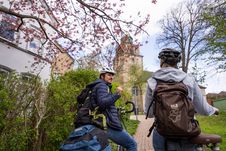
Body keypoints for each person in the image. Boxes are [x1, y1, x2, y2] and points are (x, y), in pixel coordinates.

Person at [144, 48, 219, 151]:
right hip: (186, 132)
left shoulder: (152, 81)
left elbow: (150, 113)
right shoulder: (189, 79)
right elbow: (203, 109)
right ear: (177, 62)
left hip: (162, 134)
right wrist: (214, 110)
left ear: (161, 61)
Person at [90, 67, 137, 151]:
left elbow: (104, 103)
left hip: (103, 123)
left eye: (112, 75)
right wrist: (117, 94)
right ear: (102, 76)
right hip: (108, 125)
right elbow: (102, 103)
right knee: (132, 144)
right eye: (109, 75)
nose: (111, 77)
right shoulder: (102, 86)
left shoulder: (101, 86)